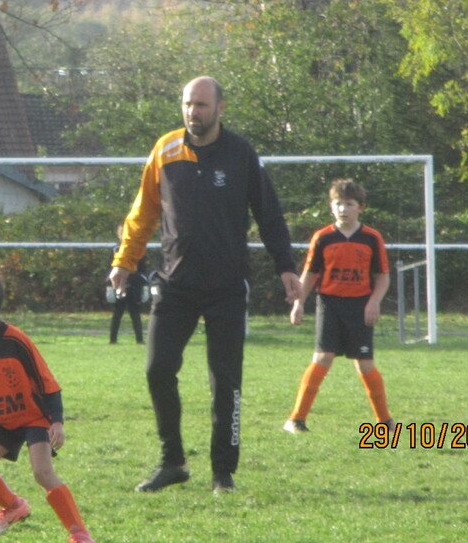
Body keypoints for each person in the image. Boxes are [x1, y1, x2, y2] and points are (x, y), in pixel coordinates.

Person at [108, 76, 300, 494]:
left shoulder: (241, 154)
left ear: (220, 109)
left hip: (226, 286)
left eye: (201, 105)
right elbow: (142, 214)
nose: (193, 112)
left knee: (225, 381)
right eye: (187, 104)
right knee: (158, 369)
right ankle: (172, 462)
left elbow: (269, 214)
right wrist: (125, 260)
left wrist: (286, 266)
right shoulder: (165, 149)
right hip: (174, 284)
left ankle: (222, 473)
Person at [0, 271, 95, 543]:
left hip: (33, 418)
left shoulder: (16, 340)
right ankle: (13, 506)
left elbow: (47, 382)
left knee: (43, 473)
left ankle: (79, 535)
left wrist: (56, 421)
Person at [283, 179, 393, 434]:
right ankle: (296, 419)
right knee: (323, 357)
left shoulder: (371, 238)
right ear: (331, 207)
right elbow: (310, 274)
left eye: (349, 204)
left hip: (360, 306)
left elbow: (382, 276)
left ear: (361, 207)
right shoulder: (322, 237)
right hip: (329, 304)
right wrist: (299, 304)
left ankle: (385, 422)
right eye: (338, 204)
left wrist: (374, 302)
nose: (343, 209)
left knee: (365, 362)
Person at [108, 225, 146, 344]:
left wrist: (142, 284)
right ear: (119, 235)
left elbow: (143, 270)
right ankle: (113, 340)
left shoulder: (139, 250)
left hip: (134, 286)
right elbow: (111, 269)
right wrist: (110, 286)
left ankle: (139, 339)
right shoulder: (115, 250)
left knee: (135, 313)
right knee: (117, 313)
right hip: (119, 285)